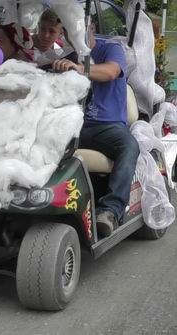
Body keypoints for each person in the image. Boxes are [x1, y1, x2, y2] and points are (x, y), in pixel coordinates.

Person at [52, 23, 136, 238]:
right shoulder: (68, 57)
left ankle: (110, 211)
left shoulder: (110, 49)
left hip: (105, 126)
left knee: (128, 145)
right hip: (72, 127)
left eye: (77, 28)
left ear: (91, 27)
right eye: (68, 30)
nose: (73, 35)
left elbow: (110, 72)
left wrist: (79, 68)